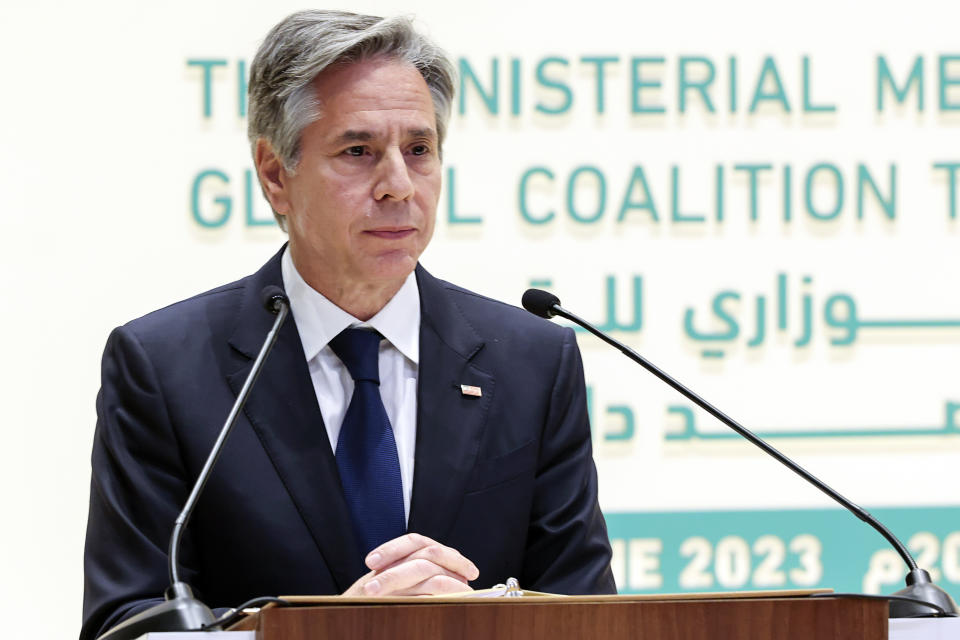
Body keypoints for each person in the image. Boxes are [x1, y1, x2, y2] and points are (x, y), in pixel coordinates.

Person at [81, 10, 614, 639]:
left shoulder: (532, 362)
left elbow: (586, 612)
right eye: (358, 152)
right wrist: (319, 632)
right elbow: (127, 624)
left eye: (419, 150)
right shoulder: (165, 368)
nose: (397, 185)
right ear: (276, 175)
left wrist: (486, 619)